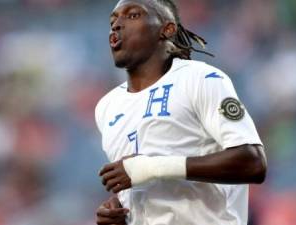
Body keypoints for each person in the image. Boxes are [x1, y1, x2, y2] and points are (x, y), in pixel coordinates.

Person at [94, 0, 267, 224]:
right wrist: (119, 214)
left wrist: (151, 167)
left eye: (133, 15)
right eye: (113, 20)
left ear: (167, 29)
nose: (116, 24)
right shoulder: (107, 107)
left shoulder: (201, 79)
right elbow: (139, 185)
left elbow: (252, 163)